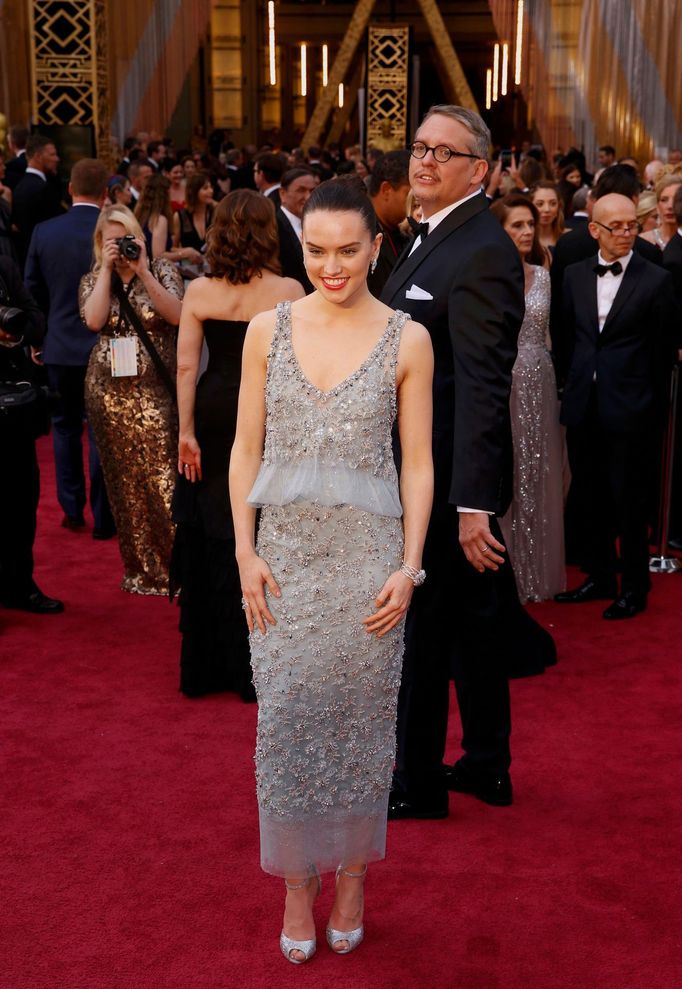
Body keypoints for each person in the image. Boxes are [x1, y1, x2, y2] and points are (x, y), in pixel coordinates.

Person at [229, 179, 433, 963]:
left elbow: (417, 464)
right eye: (317, 250)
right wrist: (244, 550)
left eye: (349, 250)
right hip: (280, 565)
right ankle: (294, 885)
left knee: (360, 728)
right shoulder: (264, 330)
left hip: (366, 567)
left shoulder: (406, 337)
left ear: (377, 247)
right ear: (300, 245)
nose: (333, 266)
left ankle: (351, 877)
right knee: (283, 724)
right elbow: (246, 447)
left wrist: (410, 566)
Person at [381, 104, 552, 820]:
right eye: (419, 147)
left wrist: (471, 501)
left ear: (479, 170)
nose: (424, 161)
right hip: (436, 468)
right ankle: (487, 764)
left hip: (449, 481)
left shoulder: (481, 247)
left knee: (424, 632)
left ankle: (418, 783)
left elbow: (485, 381)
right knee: (475, 627)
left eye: (442, 153)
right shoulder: (436, 235)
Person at [172, 190, 304, 699]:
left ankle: (205, 666)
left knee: (210, 527)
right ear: (268, 232)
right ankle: (254, 666)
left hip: (211, 409)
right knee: (258, 523)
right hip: (263, 416)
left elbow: (187, 366)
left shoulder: (200, 291)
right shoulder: (288, 289)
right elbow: (293, 372)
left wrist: (185, 431)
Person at [554, 194, 676, 618]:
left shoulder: (657, 280)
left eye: (631, 225)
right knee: (590, 497)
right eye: (617, 227)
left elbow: (661, 356)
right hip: (584, 405)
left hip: (632, 409)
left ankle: (635, 586)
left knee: (630, 501)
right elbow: (567, 338)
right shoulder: (571, 276)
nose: (626, 233)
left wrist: (651, 410)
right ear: (594, 231)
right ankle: (601, 576)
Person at [80, 206, 183, 594]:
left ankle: (178, 569)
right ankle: (140, 569)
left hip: (157, 391)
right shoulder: (93, 278)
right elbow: (93, 320)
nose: (121, 247)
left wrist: (141, 269)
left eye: (127, 237)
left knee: (164, 480)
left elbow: (177, 315)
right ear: (99, 244)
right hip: (108, 396)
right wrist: (107, 270)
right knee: (124, 484)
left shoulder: (163, 271)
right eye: (112, 240)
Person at [24, 158, 115, 539]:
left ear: (70, 189)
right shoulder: (115, 233)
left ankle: (72, 508)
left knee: (63, 429)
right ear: (106, 193)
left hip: (60, 345)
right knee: (101, 432)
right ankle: (102, 516)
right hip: (107, 346)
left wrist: (37, 338)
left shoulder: (45, 232)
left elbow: (32, 290)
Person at [491, 195, 565, 602]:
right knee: (506, 474)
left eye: (529, 225)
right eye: (516, 225)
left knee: (537, 473)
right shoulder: (486, 276)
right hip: (500, 383)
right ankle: (503, 579)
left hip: (538, 380)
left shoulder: (545, 272)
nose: (525, 232)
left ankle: (534, 575)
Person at [0, 255, 63, 614]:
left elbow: (36, 317)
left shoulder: (4, 267)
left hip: (14, 407)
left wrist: (16, 332)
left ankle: (19, 585)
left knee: (23, 498)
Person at [11, 135, 64, 267]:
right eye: (52, 155)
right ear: (38, 157)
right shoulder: (42, 188)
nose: (57, 159)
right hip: (46, 258)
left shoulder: (20, 186)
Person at [367, 150, 411, 298]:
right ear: (386, 190)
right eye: (410, 195)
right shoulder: (360, 233)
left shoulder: (402, 229)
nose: (417, 204)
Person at [275, 167, 318, 293]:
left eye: (312, 190)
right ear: (282, 194)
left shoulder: (317, 224)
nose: (308, 196)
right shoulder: (273, 228)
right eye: (301, 191)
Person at [172, 172, 214, 264]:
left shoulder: (216, 213)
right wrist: (185, 252)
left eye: (211, 187)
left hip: (214, 270)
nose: (211, 191)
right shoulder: (180, 216)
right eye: (205, 188)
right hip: (189, 271)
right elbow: (172, 248)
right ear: (193, 191)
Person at [134, 171, 174, 260]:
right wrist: (183, 254)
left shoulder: (140, 216)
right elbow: (158, 255)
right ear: (165, 194)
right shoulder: (159, 220)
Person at [640, 173, 682, 251]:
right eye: (664, 200)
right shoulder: (642, 241)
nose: (670, 206)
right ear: (657, 207)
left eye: (677, 199)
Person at [531, 180, 565, 260]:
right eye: (540, 204)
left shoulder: (569, 238)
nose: (547, 209)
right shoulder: (525, 240)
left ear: (559, 207)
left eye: (553, 203)